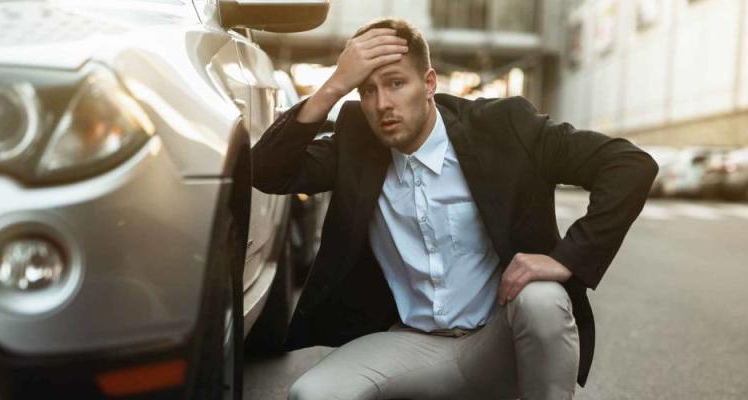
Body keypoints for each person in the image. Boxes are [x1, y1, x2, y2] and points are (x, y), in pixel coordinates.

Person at [251, 18, 658, 400]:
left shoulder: (503, 127)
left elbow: (629, 165)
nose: (382, 105)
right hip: (410, 345)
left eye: (396, 84)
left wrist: (567, 259)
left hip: (497, 342)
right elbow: (266, 171)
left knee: (542, 300)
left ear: (429, 83)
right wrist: (334, 85)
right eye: (368, 90)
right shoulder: (357, 142)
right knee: (310, 394)